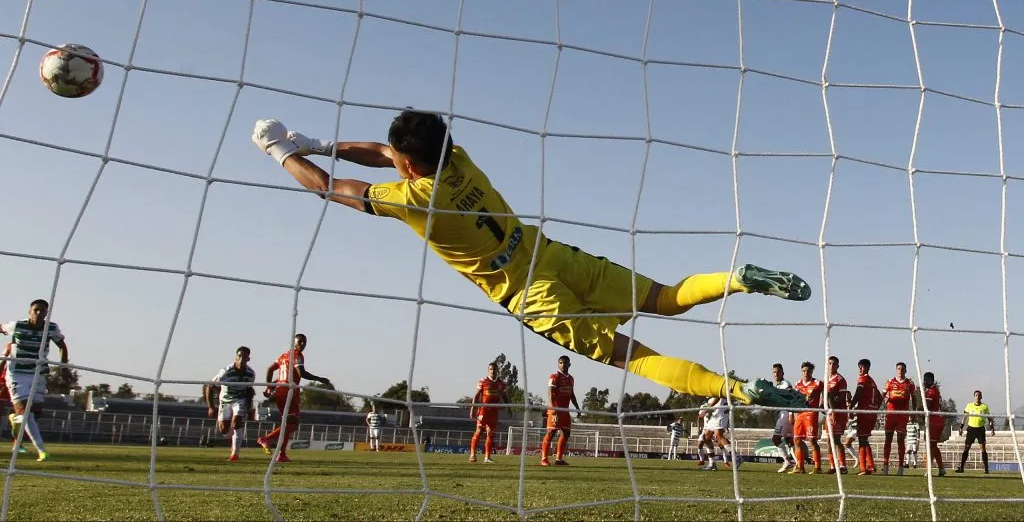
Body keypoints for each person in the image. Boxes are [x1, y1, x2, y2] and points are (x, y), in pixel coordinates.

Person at [249, 113, 810, 410]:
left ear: (410, 168)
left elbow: (331, 188)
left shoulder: (414, 199)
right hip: (554, 254)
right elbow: (386, 152)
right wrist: (319, 140)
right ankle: (736, 279)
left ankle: (738, 391)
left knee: (636, 359)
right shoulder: (460, 161)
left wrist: (282, 152)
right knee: (666, 297)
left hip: (534, 296)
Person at [0, 299, 70, 462]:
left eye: (43, 311)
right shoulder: (17, 326)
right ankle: (42, 450)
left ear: (47, 313)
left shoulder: (51, 328)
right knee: (26, 413)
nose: (39, 313)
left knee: (35, 413)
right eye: (36, 310)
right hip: (17, 373)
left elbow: (62, 345)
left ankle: (15, 419)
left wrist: (64, 367)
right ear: (29, 311)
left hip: (38, 373)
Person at [257, 334, 332, 462]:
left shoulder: (283, 355)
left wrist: (269, 387)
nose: (302, 344)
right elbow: (301, 373)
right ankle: (267, 439)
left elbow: (270, 369)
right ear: (293, 342)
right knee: (292, 425)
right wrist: (320, 379)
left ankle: (282, 454)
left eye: (304, 342)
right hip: (290, 392)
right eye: (300, 342)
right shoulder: (297, 355)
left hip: (279, 392)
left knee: (287, 424)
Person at [204, 346, 257, 462]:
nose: (241, 359)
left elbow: (249, 391)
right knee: (223, 429)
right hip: (225, 400)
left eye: (244, 357)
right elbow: (210, 386)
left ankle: (235, 454)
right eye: (239, 356)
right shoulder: (226, 371)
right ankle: (233, 436)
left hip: (240, 399)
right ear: (236, 357)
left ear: (248, 359)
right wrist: (211, 407)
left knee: (237, 422)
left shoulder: (250, 373)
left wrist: (249, 408)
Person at [541, 356, 580, 466]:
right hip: (555, 410)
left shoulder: (571, 379)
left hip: (565, 411)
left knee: (566, 433)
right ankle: (544, 458)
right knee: (551, 433)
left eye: (565, 363)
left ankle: (559, 459)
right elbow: (550, 393)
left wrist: (577, 407)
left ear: (569, 364)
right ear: (558, 364)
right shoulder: (554, 376)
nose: (563, 365)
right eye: (560, 362)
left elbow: (571, 394)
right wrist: (553, 408)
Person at [880, 362, 918, 476]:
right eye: (898, 369)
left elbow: (914, 398)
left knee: (900, 441)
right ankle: (885, 466)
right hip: (891, 414)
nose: (900, 371)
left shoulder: (909, 383)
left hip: (902, 415)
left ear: (906, 371)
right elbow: (882, 395)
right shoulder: (890, 382)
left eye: (902, 369)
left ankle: (901, 467)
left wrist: (914, 412)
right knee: (888, 440)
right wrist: (883, 402)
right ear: (896, 370)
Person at [468, 362, 509, 463]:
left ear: (497, 370)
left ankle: (487, 457)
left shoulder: (501, 383)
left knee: (490, 434)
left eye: (494, 369)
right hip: (483, 411)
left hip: (494, 412)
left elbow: (505, 396)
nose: (493, 371)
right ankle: (472, 455)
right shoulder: (483, 381)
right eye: (491, 369)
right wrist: (472, 409)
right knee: (479, 431)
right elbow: (477, 395)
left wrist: (509, 407)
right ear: (488, 370)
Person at [849, 359, 881, 475]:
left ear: (867, 368)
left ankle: (863, 468)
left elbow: (858, 393)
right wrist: (875, 408)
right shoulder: (872, 381)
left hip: (865, 412)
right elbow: (879, 397)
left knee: (862, 440)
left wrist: (850, 407)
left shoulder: (863, 378)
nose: (859, 369)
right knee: (864, 439)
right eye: (859, 367)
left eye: (861, 367)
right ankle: (871, 467)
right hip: (872, 413)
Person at [792, 362, 824, 474]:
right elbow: (793, 399)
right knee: (796, 439)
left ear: (812, 372)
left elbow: (826, 393)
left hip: (811, 413)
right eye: (804, 370)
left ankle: (817, 467)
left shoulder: (817, 383)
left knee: (812, 440)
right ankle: (800, 467)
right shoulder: (797, 384)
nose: (806, 373)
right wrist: (791, 413)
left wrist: (822, 404)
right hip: (800, 414)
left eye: (808, 371)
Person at [956, 390, 995, 474]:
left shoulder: (985, 407)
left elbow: (989, 419)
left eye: (979, 395)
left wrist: (992, 428)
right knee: (966, 448)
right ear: (974, 397)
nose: (977, 397)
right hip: (971, 429)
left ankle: (986, 469)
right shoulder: (969, 406)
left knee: (983, 448)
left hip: (980, 429)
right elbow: (964, 417)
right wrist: (961, 428)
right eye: (976, 395)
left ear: (981, 397)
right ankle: (961, 467)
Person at [824, 355, 851, 474]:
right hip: (829, 412)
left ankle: (843, 466)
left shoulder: (840, 380)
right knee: (829, 440)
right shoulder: (825, 379)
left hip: (839, 412)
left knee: (836, 439)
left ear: (838, 366)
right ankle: (832, 466)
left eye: (834, 364)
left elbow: (841, 398)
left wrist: (831, 399)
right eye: (830, 364)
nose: (831, 366)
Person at [0, 343, 27, 455]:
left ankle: (17, 445)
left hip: (17, 381)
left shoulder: (35, 345)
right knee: (23, 413)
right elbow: (2, 361)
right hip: (10, 380)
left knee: (24, 414)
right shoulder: (11, 346)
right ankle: (17, 444)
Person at [770, 363, 798, 473]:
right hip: (781, 414)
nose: (776, 374)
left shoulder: (786, 384)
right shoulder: (776, 386)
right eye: (774, 372)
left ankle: (787, 461)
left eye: (778, 372)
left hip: (786, 414)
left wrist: (791, 413)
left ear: (783, 373)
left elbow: (791, 398)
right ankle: (798, 463)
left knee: (775, 439)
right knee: (788, 440)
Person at [921, 372, 946, 476]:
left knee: (930, 446)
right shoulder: (936, 390)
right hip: (939, 420)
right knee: (934, 446)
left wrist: (918, 411)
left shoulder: (931, 391)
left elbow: (927, 406)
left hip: (933, 421)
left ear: (930, 380)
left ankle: (929, 469)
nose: (924, 382)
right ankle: (941, 468)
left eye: (925, 380)